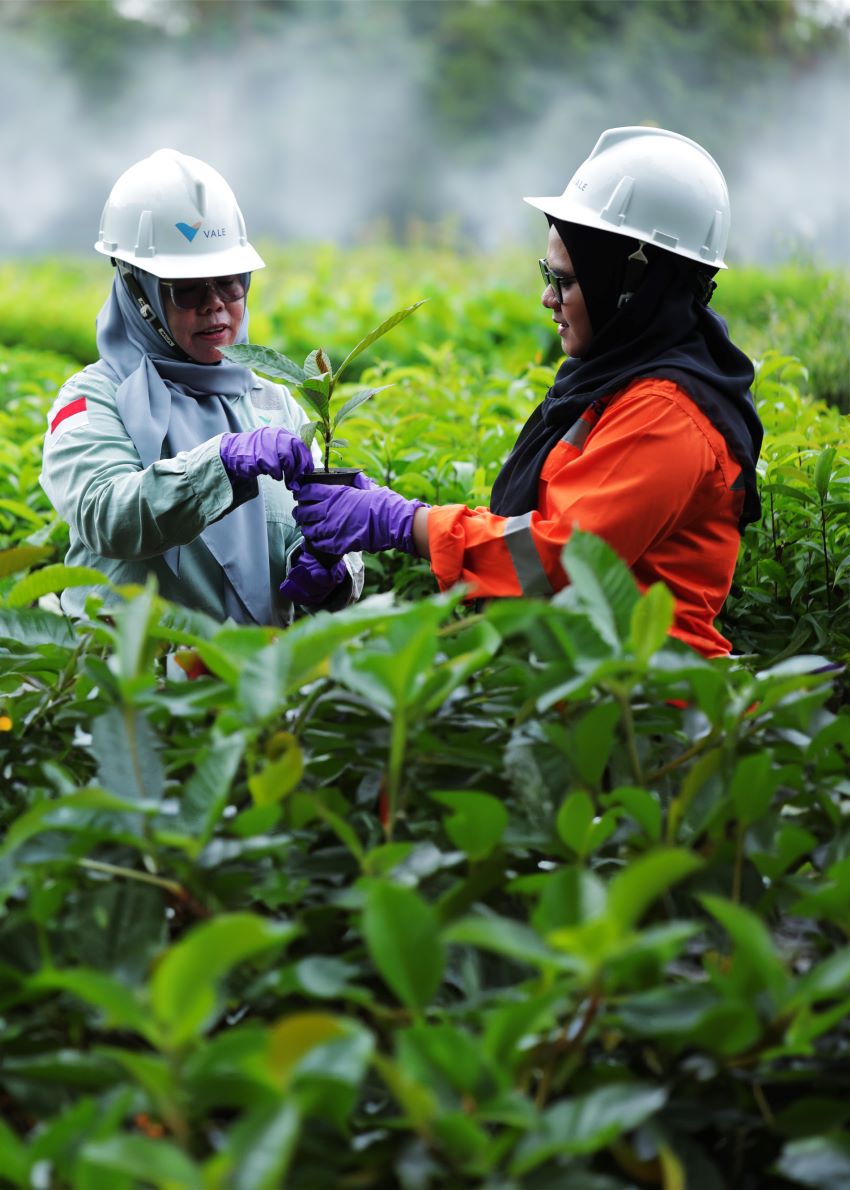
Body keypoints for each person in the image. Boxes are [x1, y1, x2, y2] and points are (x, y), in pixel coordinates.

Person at [289, 126, 764, 658]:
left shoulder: (668, 413)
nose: (547, 298)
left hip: (648, 712)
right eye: (547, 274)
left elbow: (560, 557)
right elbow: (545, 519)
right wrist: (385, 509)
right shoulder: (613, 382)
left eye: (565, 280)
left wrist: (404, 522)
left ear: (630, 288)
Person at [40, 148, 359, 626]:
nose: (215, 305)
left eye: (231, 283)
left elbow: (305, 530)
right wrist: (220, 463)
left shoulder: (273, 405)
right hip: (136, 688)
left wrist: (334, 563)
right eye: (187, 288)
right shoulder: (92, 401)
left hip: (255, 684)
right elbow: (104, 513)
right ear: (139, 294)